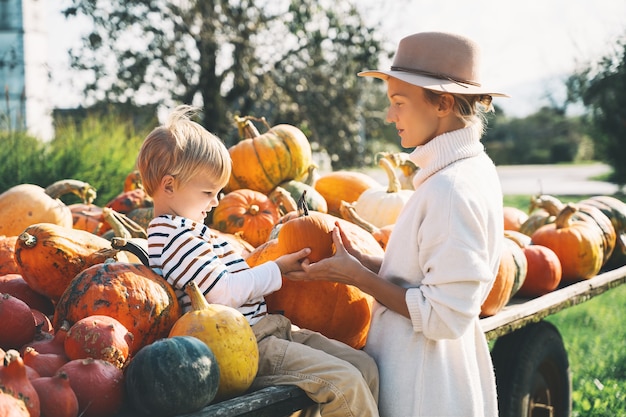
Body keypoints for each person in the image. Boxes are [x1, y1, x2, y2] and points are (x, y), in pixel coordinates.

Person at [284, 31, 507, 417]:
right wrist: (364, 262)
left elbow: (443, 317)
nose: (389, 116)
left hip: (426, 390)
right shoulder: (465, 172)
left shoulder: (450, 190)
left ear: (444, 104)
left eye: (398, 103)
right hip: (436, 377)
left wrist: (358, 278)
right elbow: (427, 278)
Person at [135, 105, 379, 417]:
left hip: (267, 329)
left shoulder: (187, 229)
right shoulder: (171, 238)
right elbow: (221, 294)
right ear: (169, 186)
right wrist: (276, 269)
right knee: (344, 382)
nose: (217, 201)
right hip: (242, 346)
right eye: (209, 191)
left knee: (364, 365)